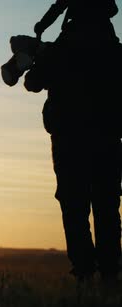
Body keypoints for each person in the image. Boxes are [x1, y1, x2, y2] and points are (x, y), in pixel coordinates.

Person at [25, 3, 122, 285]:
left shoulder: (59, 50)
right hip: (108, 140)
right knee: (107, 205)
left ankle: (83, 272)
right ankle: (110, 273)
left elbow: (32, 82)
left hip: (69, 142)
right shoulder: (115, 53)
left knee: (74, 205)